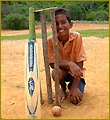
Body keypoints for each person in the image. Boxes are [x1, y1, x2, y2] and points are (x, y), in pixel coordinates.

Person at [47, 8, 86, 105]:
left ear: (70, 24)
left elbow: (80, 62)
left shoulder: (77, 37)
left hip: (76, 73)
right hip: (62, 72)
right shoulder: (50, 40)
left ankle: (73, 85)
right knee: (55, 72)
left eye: (63, 22)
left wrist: (75, 87)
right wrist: (69, 64)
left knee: (75, 99)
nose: (60, 26)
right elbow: (52, 64)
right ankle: (63, 87)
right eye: (56, 23)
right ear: (52, 26)